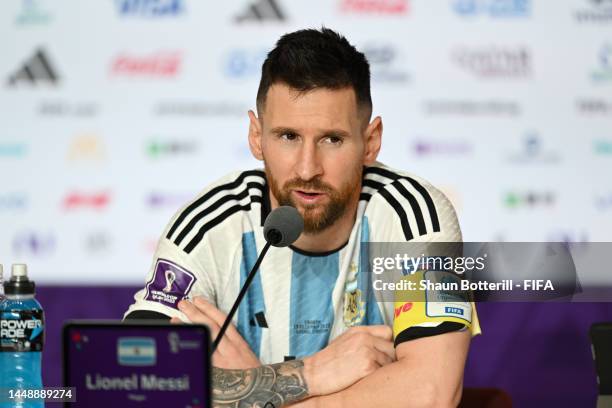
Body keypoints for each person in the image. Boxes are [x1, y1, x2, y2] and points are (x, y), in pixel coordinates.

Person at [125, 27, 481, 407]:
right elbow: (140, 384)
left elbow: (431, 393)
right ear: (256, 137)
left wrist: (254, 390)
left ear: (371, 141)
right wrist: (313, 374)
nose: (308, 168)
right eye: (288, 136)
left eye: (332, 139)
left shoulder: (417, 217)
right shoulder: (210, 227)